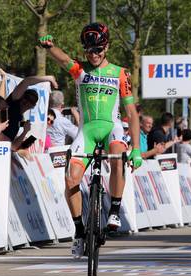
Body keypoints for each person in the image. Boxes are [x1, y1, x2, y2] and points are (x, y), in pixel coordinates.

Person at [40, 22, 142, 258]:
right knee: (70, 179)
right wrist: (49, 47)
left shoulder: (120, 73)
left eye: (98, 50)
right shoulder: (80, 71)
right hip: (86, 130)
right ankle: (79, 231)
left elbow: (132, 113)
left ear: (106, 47)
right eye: (89, 51)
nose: (94, 55)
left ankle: (114, 209)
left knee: (117, 154)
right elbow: (64, 60)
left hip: (111, 128)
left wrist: (136, 149)